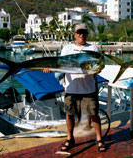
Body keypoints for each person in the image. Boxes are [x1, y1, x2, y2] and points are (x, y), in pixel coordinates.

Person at [43, 24, 105, 152]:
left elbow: (99, 65)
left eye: (83, 32)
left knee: (94, 114)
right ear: (75, 34)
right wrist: (50, 68)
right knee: (69, 114)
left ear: (87, 34)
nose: (81, 35)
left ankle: (99, 138)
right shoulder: (67, 48)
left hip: (88, 89)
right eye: (79, 32)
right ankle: (70, 138)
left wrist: (98, 70)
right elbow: (60, 65)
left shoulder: (93, 48)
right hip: (71, 88)